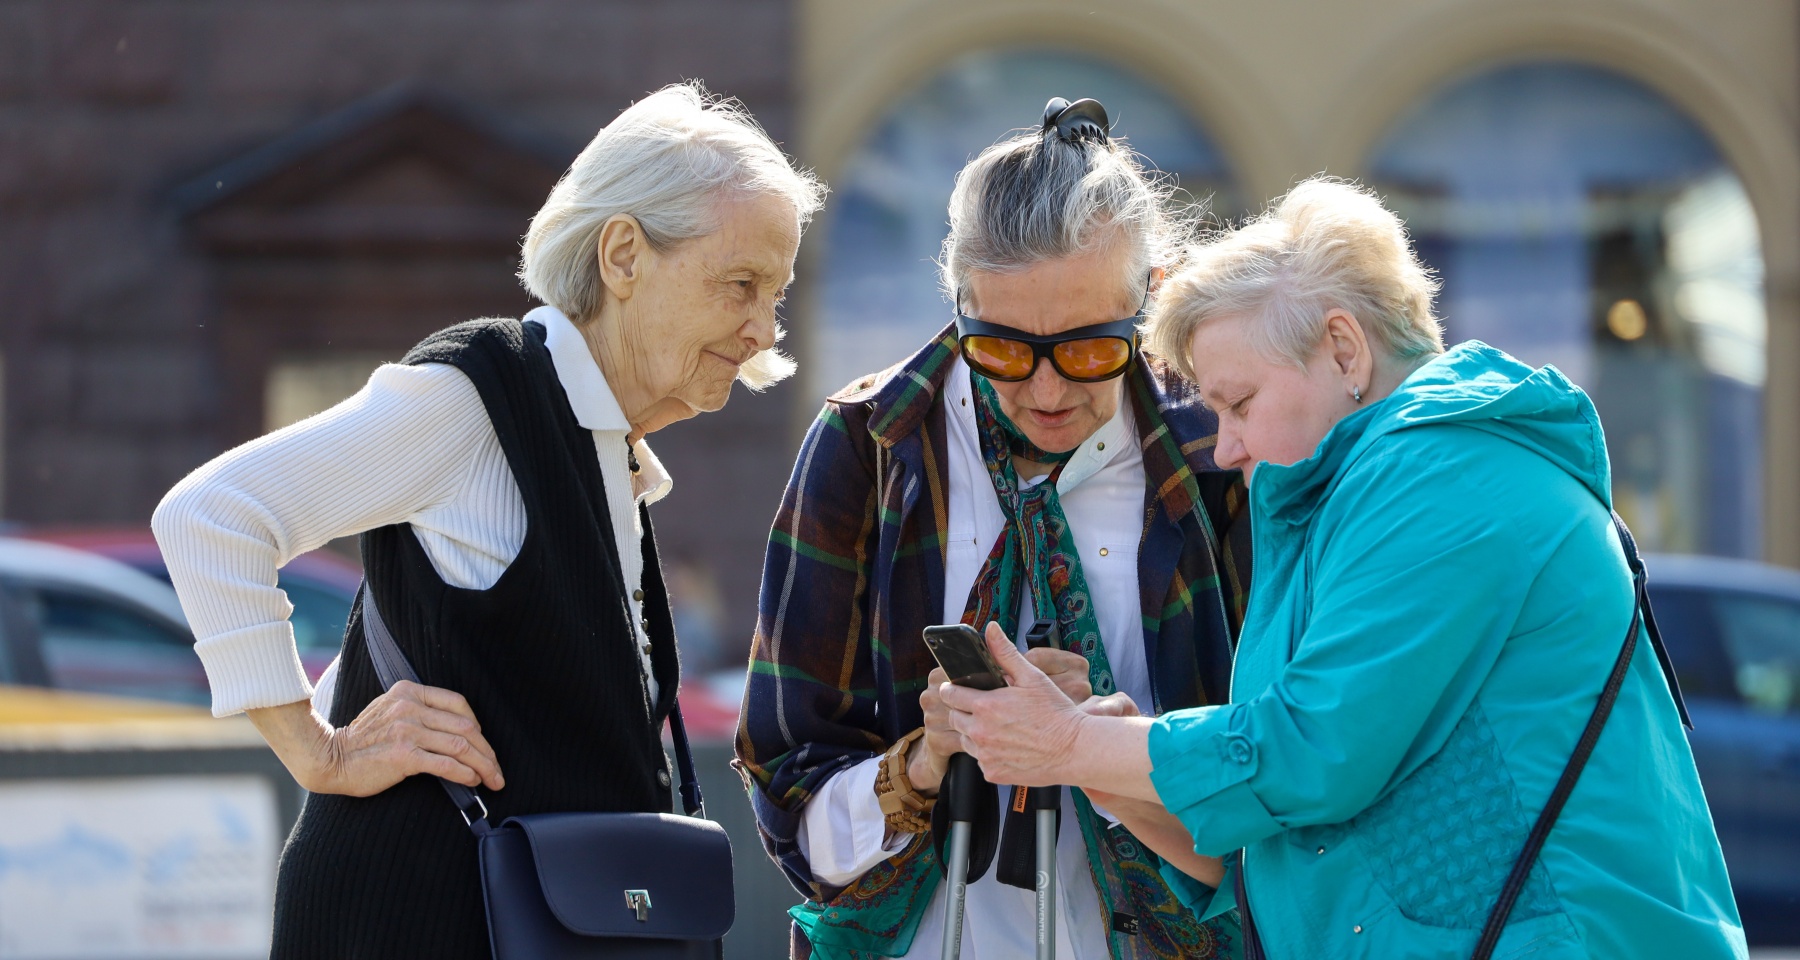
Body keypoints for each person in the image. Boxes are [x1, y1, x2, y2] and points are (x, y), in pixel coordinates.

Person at [933, 176, 1747, 958]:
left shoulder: (1440, 470)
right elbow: (1294, 846)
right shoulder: (1381, 486)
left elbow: (1310, 753)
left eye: (1239, 403)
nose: (1224, 447)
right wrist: (1115, 774)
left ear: (1344, 351)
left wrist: (1075, 747)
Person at [152, 83, 825, 958]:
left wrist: (356, 711)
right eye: (742, 284)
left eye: (775, 295)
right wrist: (321, 753)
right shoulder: (477, 398)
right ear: (623, 255)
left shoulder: (603, 451)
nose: (761, 329)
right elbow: (209, 517)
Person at [735, 98, 1253, 960]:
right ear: (959, 303)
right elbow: (792, 807)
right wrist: (929, 756)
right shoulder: (871, 447)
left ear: (1148, 303)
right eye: (1004, 349)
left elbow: (1285, 774)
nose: (1047, 391)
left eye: (1090, 350)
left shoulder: (1219, 457)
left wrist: (1101, 743)